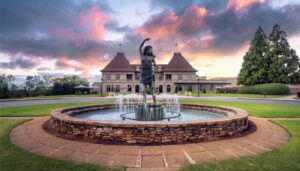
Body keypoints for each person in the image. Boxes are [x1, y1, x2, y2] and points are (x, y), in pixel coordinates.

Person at [139, 38, 156, 104]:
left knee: (153, 92)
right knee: (143, 90)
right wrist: (145, 40)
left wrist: (154, 64)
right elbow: (140, 47)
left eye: (151, 50)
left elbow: (155, 65)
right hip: (143, 74)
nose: (151, 50)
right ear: (147, 50)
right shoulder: (142, 56)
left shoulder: (152, 57)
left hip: (150, 74)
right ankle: (144, 103)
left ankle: (155, 104)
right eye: (150, 49)